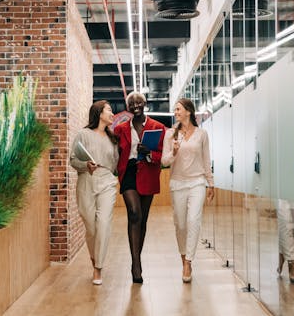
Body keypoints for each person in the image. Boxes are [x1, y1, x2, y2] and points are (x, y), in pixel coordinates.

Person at [114, 92, 166, 284]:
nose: (135, 105)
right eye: (131, 103)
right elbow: (114, 151)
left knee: (142, 219)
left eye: (139, 102)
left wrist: (150, 153)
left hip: (148, 174)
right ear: (128, 106)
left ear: (145, 104)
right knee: (134, 213)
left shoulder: (158, 127)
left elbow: (163, 155)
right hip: (128, 172)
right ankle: (136, 264)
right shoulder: (119, 129)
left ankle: (137, 258)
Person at [161, 98, 214, 283]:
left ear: (188, 112)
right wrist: (173, 152)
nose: (175, 112)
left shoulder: (202, 134)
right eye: (175, 110)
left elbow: (206, 160)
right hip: (177, 184)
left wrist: (210, 183)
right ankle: (183, 256)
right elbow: (164, 162)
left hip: (197, 182)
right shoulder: (170, 134)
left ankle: (189, 261)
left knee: (193, 220)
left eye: (178, 109)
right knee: (181, 225)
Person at [69, 100, 119, 285]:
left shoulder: (113, 139)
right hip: (86, 181)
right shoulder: (83, 134)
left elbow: (114, 163)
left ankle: (98, 268)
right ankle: (94, 258)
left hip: (107, 181)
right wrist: (85, 165)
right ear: (99, 113)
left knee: (104, 224)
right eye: (109, 110)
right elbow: (73, 159)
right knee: (91, 226)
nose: (112, 114)